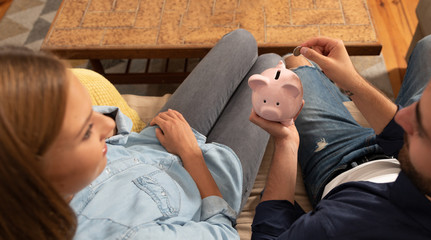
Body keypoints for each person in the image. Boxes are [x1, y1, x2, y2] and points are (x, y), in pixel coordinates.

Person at [250, 17, 431, 239]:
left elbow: (270, 232)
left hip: (338, 163)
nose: (401, 116)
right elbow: (402, 130)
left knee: (295, 61)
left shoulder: (347, 225)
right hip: (400, 157)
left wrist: (287, 141)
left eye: (424, 130)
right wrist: (352, 82)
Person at [0, 29, 281, 239]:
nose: (108, 125)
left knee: (241, 40)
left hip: (157, 140)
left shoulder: (45, 172)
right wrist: (191, 155)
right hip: (216, 175)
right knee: (271, 63)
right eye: (86, 131)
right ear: (33, 172)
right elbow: (223, 233)